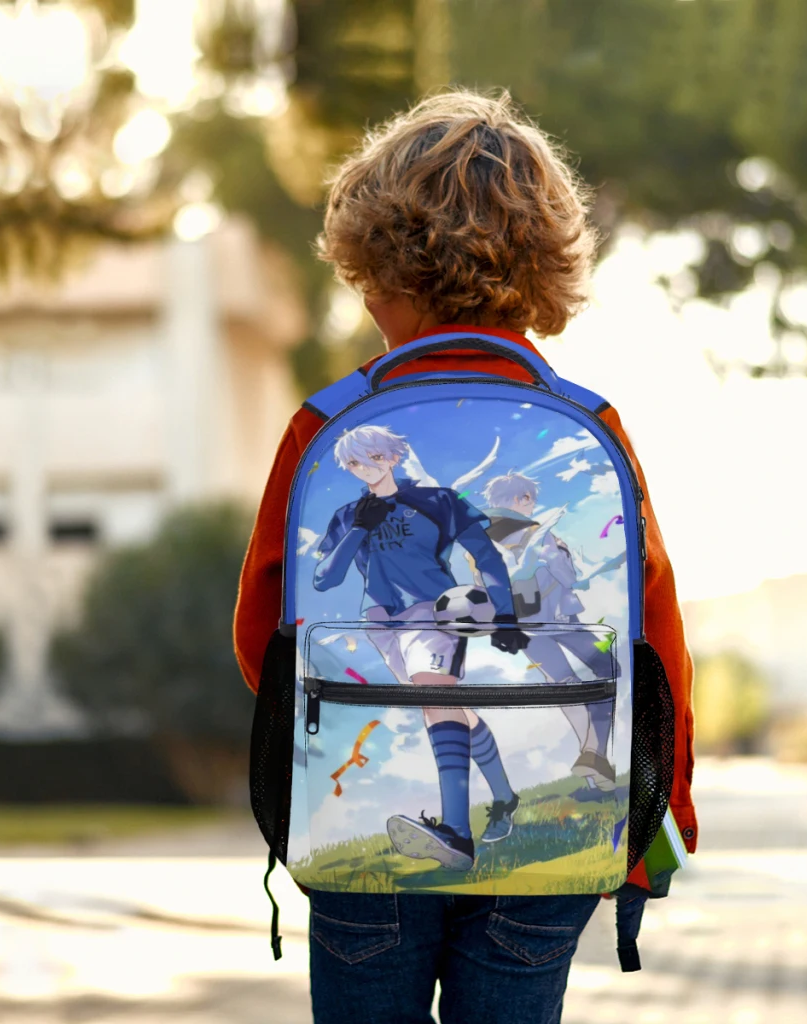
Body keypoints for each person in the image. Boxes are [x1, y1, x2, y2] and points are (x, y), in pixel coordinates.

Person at [235, 89, 696, 1024]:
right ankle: (500, 802)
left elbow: (261, 635)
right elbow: (655, 634)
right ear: (545, 270)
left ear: (380, 271)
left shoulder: (325, 425)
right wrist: (661, 814)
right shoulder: (591, 426)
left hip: (360, 821)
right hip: (550, 864)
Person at [314, 423, 529, 868]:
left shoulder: (438, 501)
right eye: (353, 463)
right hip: (381, 624)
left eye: (371, 458)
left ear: (392, 457)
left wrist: (505, 614)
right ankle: (505, 797)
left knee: (435, 699)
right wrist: (358, 528)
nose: (362, 469)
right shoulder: (347, 514)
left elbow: (484, 555)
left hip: (435, 614)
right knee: (449, 707)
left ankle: (456, 835)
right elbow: (324, 579)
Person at [476, 471, 618, 792]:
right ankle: (593, 753)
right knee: (608, 673)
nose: (532, 505)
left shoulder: (482, 539)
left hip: (523, 628)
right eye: (530, 499)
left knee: (565, 685)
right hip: (561, 620)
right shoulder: (538, 533)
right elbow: (567, 577)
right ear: (521, 499)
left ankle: (594, 764)